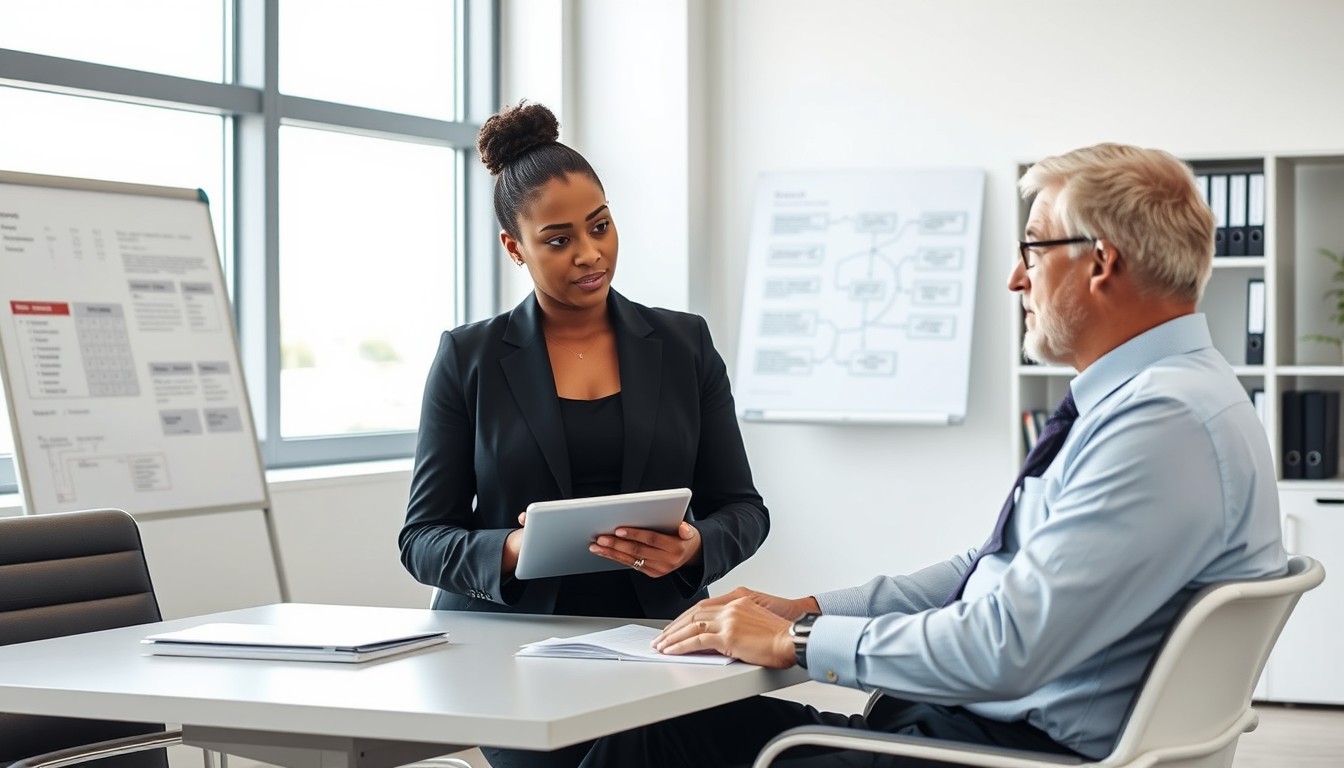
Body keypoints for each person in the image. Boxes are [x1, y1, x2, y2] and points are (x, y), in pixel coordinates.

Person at [576, 143, 1288, 768]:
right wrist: (806, 606)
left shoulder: (1159, 423)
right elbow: (983, 572)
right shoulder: (1171, 398)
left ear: (1101, 262)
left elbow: (1005, 647)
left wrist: (797, 639)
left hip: (1000, 754)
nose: (1016, 279)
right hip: (977, 735)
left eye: (1033, 249)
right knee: (655, 729)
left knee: (644, 742)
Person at [398, 101, 770, 768]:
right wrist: (510, 549)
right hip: (510, 654)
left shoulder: (683, 345)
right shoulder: (469, 357)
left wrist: (694, 549)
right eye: (559, 239)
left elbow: (744, 509)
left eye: (600, 226)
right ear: (516, 247)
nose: (590, 254)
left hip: (662, 641)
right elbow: (422, 538)